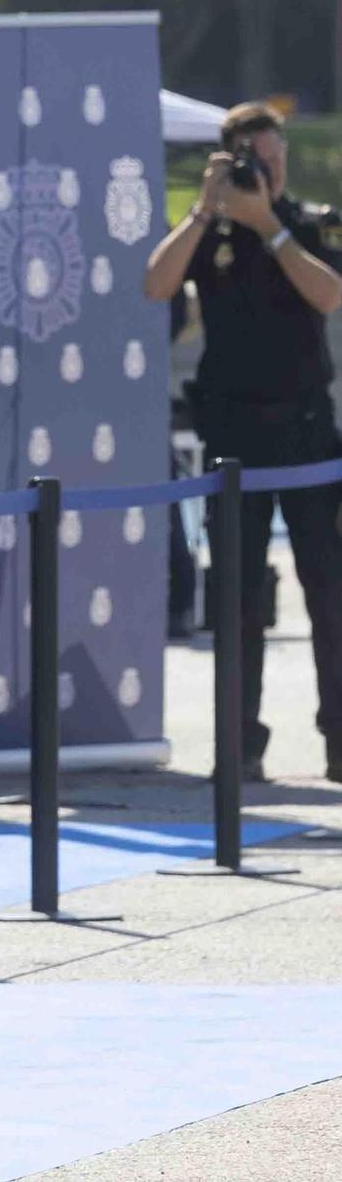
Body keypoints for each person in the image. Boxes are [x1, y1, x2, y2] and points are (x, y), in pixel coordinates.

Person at [145, 100, 342, 783]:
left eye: (279, 154)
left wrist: (271, 228)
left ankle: (339, 738)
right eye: (259, 158)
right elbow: (156, 283)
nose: (274, 167)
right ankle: (240, 743)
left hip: (307, 432)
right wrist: (206, 207)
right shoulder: (213, 228)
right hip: (234, 433)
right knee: (238, 599)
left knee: (329, 591)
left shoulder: (311, 222)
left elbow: (329, 297)